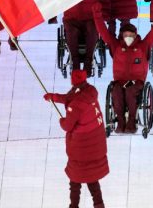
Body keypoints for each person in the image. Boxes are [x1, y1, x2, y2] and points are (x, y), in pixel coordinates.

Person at [92, 2, 153, 134]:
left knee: (131, 92)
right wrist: (97, 15)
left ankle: (131, 121)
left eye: (131, 35)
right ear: (121, 36)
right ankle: (120, 120)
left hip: (137, 83)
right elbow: (103, 32)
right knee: (117, 93)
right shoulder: (116, 46)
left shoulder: (143, 46)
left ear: (135, 35)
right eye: (125, 35)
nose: (128, 38)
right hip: (119, 81)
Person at [43, 69, 108, 208]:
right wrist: (53, 97)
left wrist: (61, 120)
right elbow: (69, 98)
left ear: (73, 81)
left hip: (81, 150)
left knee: (75, 180)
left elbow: (68, 125)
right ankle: (99, 204)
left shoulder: (76, 104)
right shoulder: (89, 92)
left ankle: (74, 206)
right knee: (92, 177)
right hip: (96, 146)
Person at [63, 0, 101, 76]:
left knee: (92, 30)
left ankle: (88, 61)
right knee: (71, 31)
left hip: (90, 16)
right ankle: (74, 60)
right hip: (71, 17)